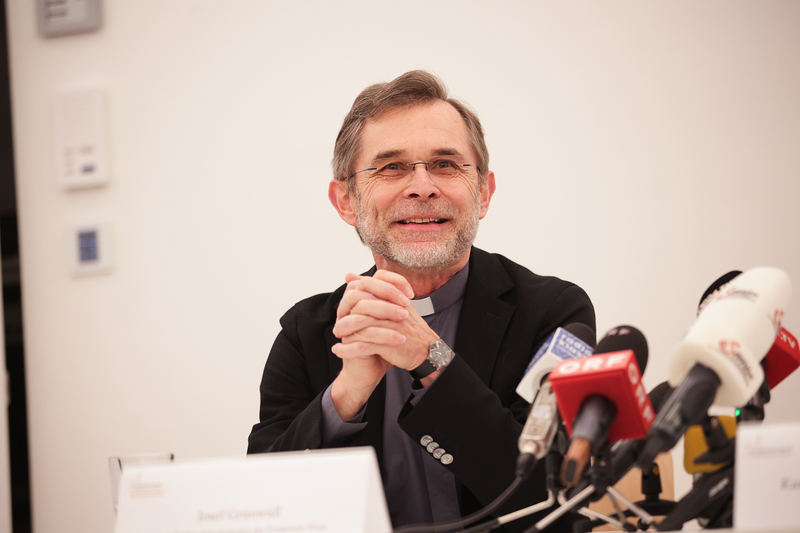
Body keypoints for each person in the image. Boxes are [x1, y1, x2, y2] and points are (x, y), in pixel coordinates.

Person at [247, 70, 595, 532]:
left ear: (483, 193)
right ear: (346, 201)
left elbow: (555, 497)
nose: (423, 186)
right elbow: (263, 508)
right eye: (392, 167)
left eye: (445, 164)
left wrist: (431, 359)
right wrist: (345, 396)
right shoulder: (306, 333)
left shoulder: (553, 313)